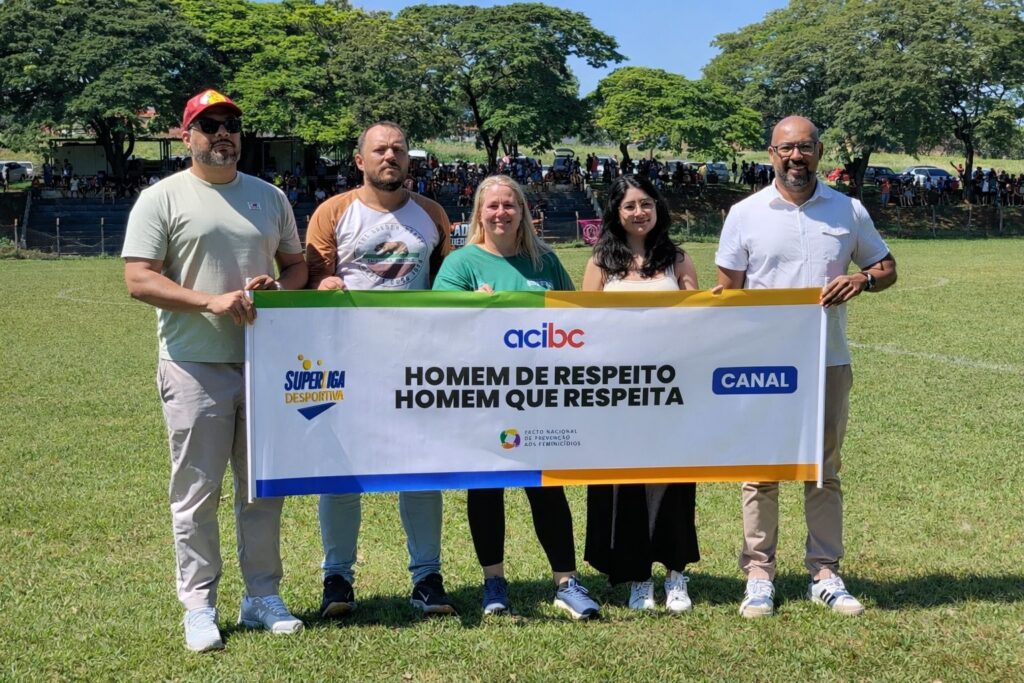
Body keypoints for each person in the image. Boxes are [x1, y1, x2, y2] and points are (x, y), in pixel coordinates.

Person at [121, 89, 308, 651]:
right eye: (209, 126)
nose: (222, 133)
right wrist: (210, 301)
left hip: (262, 363)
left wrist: (276, 288)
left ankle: (262, 596)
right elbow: (139, 279)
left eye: (230, 125)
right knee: (196, 493)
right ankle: (199, 605)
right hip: (193, 364)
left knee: (260, 489)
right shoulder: (161, 198)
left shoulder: (269, 196)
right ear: (187, 136)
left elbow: (296, 266)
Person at [715, 115, 896, 618]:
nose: (796, 157)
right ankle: (758, 573)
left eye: (806, 148)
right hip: (763, 366)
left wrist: (862, 281)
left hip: (828, 359)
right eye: (786, 149)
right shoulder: (745, 213)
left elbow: (886, 267)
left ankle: (823, 571)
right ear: (771, 153)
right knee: (761, 471)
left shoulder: (848, 209)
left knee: (824, 469)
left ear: (820, 152)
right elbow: (728, 291)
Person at [431, 175, 602, 621]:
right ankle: (494, 583)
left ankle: (566, 582)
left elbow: (574, 320)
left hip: (539, 395)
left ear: (523, 211)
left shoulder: (543, 260)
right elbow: (437, 325)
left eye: (511, 205)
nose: (502, 213)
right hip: (483, 397)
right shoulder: (460, 264)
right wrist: (473, 306)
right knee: (485, 488)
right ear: (479, 213)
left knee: (546, 488)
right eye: (493, 206)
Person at [305, 121, 456, 618]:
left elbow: (447, 283)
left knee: (420, 471)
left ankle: (427, 578)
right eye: (379, 150)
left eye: (397, 150)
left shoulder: (432, 215)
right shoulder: (333, 212)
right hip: (347, 363)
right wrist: (321, 285)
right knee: (342, 474)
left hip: (416, 363)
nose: (389, 156)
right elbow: (309, 279)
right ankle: (338, 579)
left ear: (409, 161)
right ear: (360, 160)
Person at [581, 175, 700, 613]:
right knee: (628, 481)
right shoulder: (600, 262)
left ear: (658, 208)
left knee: (672, 478)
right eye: (630, 205)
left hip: (671, 387)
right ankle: (637, 577)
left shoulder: (678, 259)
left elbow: (699, 317)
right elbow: (582, 328)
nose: (639, 212)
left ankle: (675, 573)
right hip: (618, 391)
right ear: (616, 211)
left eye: (646, 204)